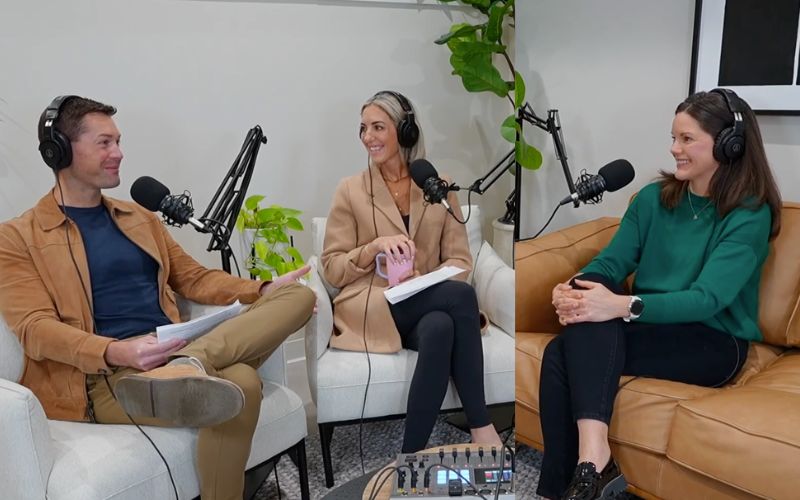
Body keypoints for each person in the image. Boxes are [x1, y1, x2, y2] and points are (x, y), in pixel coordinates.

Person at [0, 95, 316, 500]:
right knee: (242, 383)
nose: (119, 153)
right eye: (104, 143)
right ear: (59, 150)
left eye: (118, 141)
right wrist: (118, 352)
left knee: (298, 298)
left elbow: (194, 278)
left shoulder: (139, 218)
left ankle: (194, 362)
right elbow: (36, 330)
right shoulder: (17, 237)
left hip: (173, 352)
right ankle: (193, 364)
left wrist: (262, 289)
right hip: (107, 380)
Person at [537, 88, 782, 500]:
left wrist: (619, 305)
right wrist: (577, 286)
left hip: (713, 341)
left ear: (729, 144)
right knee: (581, 318)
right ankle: (588, 468)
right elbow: (612, 262)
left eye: (687, 139)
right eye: (673, 137)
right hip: (650, 325)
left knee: (568, 347)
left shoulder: (749, 214)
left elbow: (708, 298)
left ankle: (579, 477)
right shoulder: (653, 199)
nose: (674, 149)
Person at [320, 90, 502, 452]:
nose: (367, 138)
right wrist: (373, 248)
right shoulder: (350, 190)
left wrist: (423, 282)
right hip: (375, 305)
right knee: (463, 297)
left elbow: (461, 262)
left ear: (405, 132)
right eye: (363, 129)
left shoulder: (436, 185)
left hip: (427, 307)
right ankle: (482, 426)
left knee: (441, 327)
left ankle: (411, 455)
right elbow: (332, 269)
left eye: (377, 127)